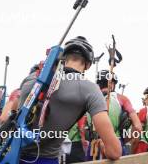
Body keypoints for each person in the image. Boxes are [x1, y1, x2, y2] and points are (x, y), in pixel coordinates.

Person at [18, 36, 122, 164]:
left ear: (63, 57)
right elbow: (114, 151)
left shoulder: (31, 78)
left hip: (11, 155)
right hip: (45, 159)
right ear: (88, 64)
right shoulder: (89, 89)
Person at [85, 69, 142, 160]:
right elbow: (138, 127)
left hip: (93, 148)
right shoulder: (122, 99)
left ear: (98, 83)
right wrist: (123, 140)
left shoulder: (88, 99)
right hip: (115, 144)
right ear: (112, 84)